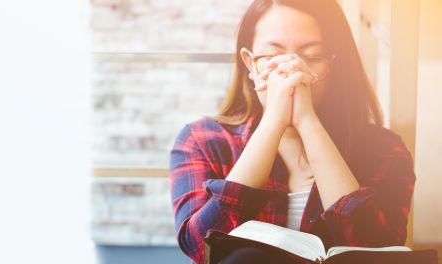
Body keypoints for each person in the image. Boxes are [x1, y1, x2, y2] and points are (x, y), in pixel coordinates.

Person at [168, 0, 417, 263]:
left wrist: (308, 122)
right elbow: (200, 247)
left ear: (334, 63)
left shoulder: (384, 149)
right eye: (272, 57)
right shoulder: (202, 140)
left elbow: (379, 247)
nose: (292, 70)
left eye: (311, 56)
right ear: (250, 64)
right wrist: (273, 121)